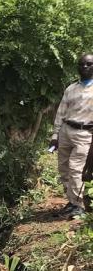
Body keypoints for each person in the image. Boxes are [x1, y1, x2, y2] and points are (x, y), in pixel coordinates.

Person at [52, 53, 93, 218]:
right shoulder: (71, 88)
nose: (84, 67)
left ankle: (80, 206)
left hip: (85, 133)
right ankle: (72, 202)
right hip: (66, 131)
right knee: (63, 168)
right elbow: (61, 111)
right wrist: (55, 135)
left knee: (76, 168)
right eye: (82, 64)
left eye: (89, 64)